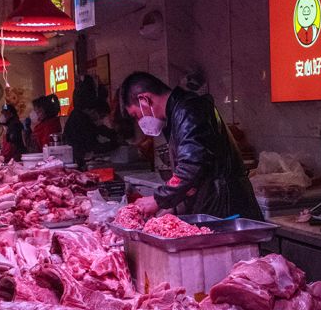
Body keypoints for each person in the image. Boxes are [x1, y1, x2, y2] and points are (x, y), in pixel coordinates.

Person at [120, 71, 263, 220]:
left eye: (136, 116)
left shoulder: (188, 110)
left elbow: (191, 166)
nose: (139, 122)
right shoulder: (178, 113)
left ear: (144, 99)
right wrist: (174, 208)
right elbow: (196, 177)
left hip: (227, 210)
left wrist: (158, 199)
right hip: (215, 206)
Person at [61, 76, 118, 169]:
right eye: (101, 116)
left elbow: (99, 129)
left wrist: (114, 135)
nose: (100, 119)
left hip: (78, 161)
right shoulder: (80, 119)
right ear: (92, 110)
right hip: (76, 163)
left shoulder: (81, 115)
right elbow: (92, 146)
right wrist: (115, 144)